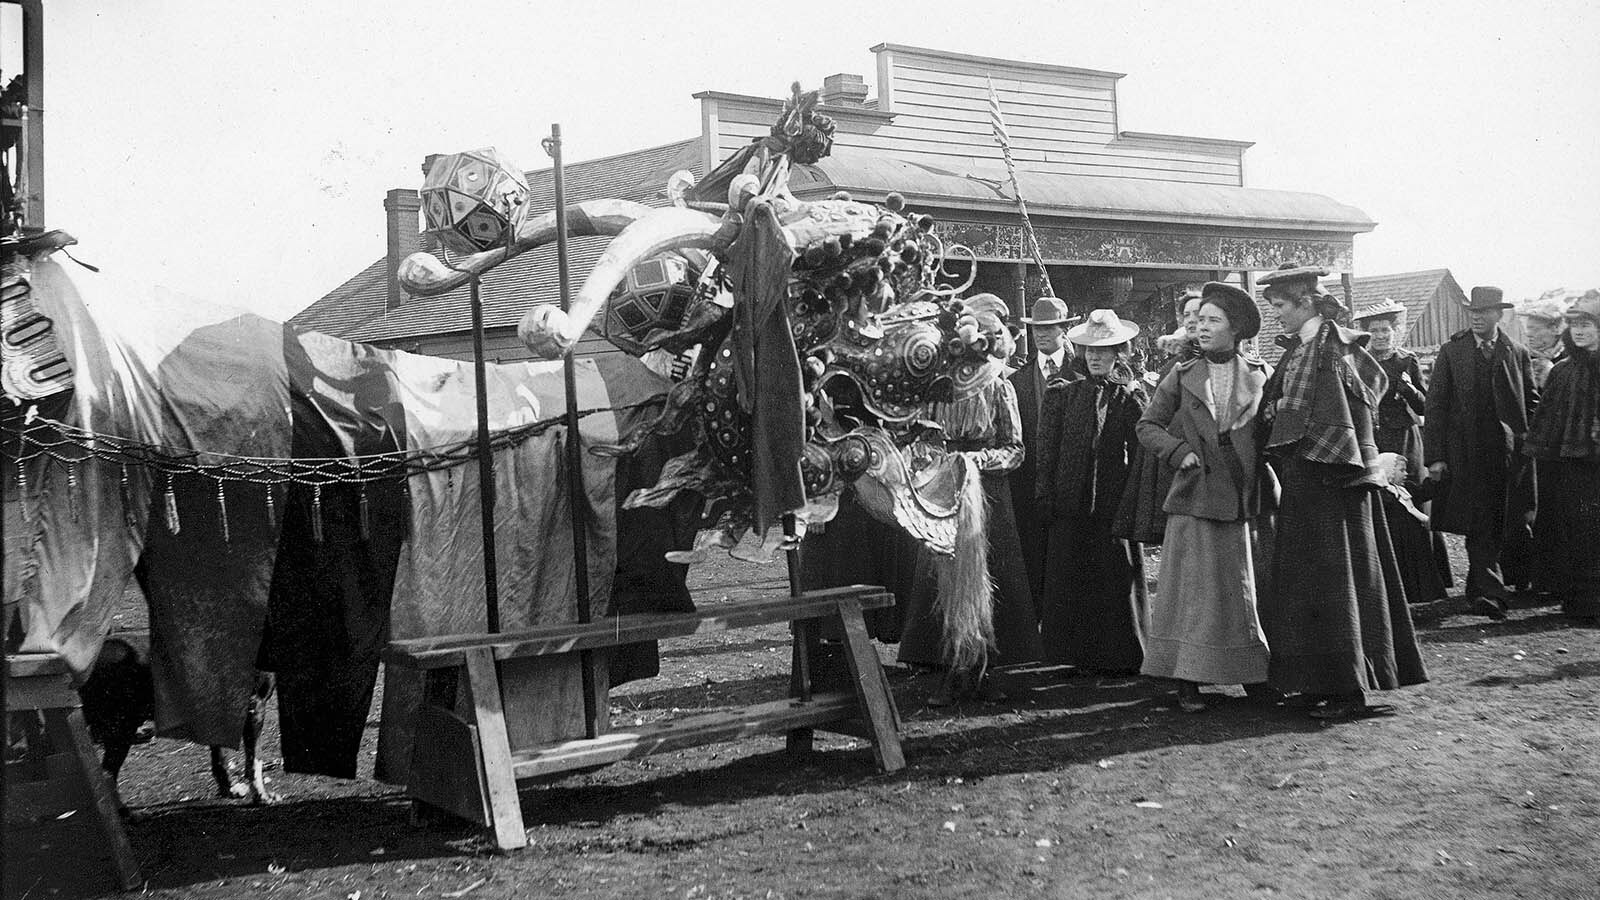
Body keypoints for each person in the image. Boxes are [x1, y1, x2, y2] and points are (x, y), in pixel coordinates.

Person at [1257, 263, 1427, 720]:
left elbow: (1360, 402)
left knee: (1341, 583)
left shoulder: (1337, 347)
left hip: (1338, 482)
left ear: (1306, 303)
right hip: (1306, 480)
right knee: (1308, 584)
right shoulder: (1300, 350)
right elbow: (1283, 405)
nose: (1277, 317)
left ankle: (1349, 689)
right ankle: (1318, 682)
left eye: (1280, 307)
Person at [1136, 283, 1274, 712]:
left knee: (1243, 588)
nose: (1203, 328)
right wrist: (1179, 452)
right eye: (1200, 321)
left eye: (1214, 321)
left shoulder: (1260, 374)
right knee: (1192, 593)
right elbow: (1148, 426)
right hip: (1195, 496)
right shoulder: (1180, 376)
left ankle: (1252, 672)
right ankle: (1187, 679)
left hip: (1243, 496)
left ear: (1236, 329)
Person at [899, 294, 1041, 704]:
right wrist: (932, 462)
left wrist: (975, 461)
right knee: (941, 576)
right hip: (942, 491)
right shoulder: (938, 387)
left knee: (987, 579)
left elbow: (1015, 449)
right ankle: (948, 668)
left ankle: (987, 669)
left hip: (987, 496)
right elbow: (917, 437)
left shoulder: (1000, 385)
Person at [1036, 308, 1146, 676]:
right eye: (1090, 351)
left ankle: (1118, 657)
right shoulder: (1063, 396)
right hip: (1070, 505)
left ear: (1119, 353)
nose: (1096, 357)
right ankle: (1075, 657)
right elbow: (1047, 451)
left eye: (1105, 350)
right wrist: (1047, 495)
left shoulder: (1128, 398)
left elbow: (1141, 452)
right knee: (1073, 575)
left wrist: (1130, 504)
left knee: (1112, 577)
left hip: (1111, 507)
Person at [1423, 286, 1539, 620]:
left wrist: (1530, 441)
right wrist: (1436, 457)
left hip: (1509, 455)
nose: (1476, 317)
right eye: (1472, 312)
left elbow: (1530, 402)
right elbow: (1437, 407)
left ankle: (1481, 587)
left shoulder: (1515, 352)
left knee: (1506, 520)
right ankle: (1492, 594)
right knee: (1478, 521)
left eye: (1484, 312)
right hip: (1466, 453)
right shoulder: (1452, 351)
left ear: (1498, 315)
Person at [1353, 299, 1449, 606]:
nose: (1381, 336)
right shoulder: (1360, 362)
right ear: (1366, 333)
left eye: (1386, 330)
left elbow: (1425, 405)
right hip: (1375, 439)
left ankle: (1423, 579)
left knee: (1411, 499)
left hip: (1405, 439)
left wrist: (1408, 389)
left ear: (1395, 331)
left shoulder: (1407, 361)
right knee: (1381, 503)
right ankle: (1385, 578)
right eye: (1375, 330)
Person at [1523, 292, 1600, 621]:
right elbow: (1547, 422)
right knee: (1580, 531)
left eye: (1586, 325)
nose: (1579, 331)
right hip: (1574, 466)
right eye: (1574, 325)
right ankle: (1583, 601)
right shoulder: (1563, 370)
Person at [1114, 286, 1203, 546]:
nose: (1191, 319)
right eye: (1186, 314)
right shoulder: (1174, 367)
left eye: (1198, 312)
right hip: (1177, 458)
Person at [1010, 296, 1076, 606]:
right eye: (1038, 328)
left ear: (1064, 330)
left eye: (1050, 328)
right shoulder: (1017, 381)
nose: (1042, 334)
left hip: (1070, 486)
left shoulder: (1081, 376)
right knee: (1033, 556)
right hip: (1030, 484)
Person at [1516, 299, 1568, 390]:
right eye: (1528, 328)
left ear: (1555, 329)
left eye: (1535, 329)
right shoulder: (1519, 358)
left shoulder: (1570, 359)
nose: (1528, 334)